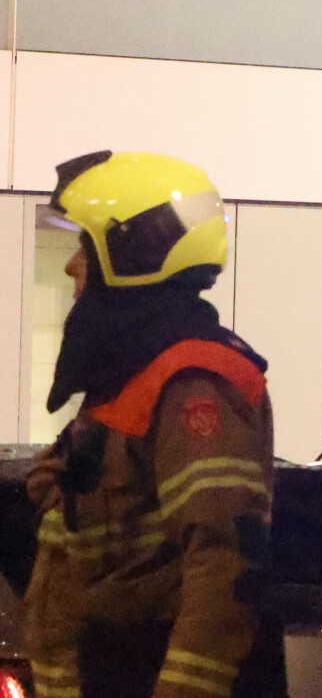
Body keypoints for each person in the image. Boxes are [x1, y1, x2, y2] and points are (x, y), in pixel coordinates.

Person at [23, 151, 276, 698]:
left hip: (144, 673)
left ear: (130, 253)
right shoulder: (129, 376)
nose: (72, 266)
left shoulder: (194, 381)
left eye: (84, 247)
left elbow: (223, 560)